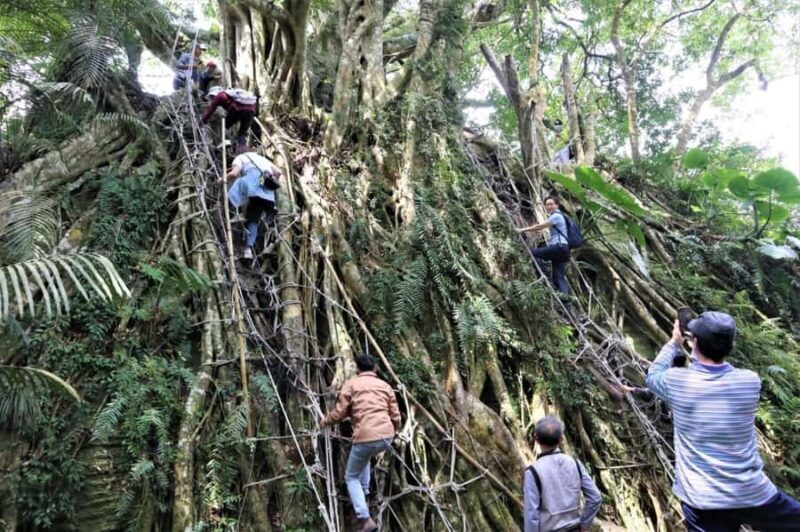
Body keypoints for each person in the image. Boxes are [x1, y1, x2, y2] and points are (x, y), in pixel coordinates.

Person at [646, 312, 800, 531]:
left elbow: (652, 375)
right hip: (750, 492)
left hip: (701, 499)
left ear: (694, 342)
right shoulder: (749, 381)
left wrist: (674, 342)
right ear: (730, 345)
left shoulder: (676, 382)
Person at [320, 354, 401, 532]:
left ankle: (364, 519)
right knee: (364, 458)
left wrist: (325, 421)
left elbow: (339, 414)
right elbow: (396, 415)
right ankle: (364, 494)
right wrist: (395, 431)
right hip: (386, 438)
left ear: (357, 370)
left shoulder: (351, 384)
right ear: (375, 369)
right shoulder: (385, 385)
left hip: (365, 438)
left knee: (351, 477)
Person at [523, 416, 602, 532]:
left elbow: (531, 516)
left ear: (536, 439)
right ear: (561, 439)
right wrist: (584, 524)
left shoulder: (533, 472)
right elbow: (595, 497)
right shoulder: (575, 464)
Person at [223, 145, 280, 260]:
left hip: (251, 183)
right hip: (265, 187)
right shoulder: (262, 159)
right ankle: (248, 250)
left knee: (234, 190)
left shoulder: (240, 157)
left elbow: (234, 173)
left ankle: (233, 213)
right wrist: (270, 181)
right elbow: (278, 172)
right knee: (253, 219)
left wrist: (220, 179)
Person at [518, 196, 571, 295]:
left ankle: (542, 275)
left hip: (558, 247)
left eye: (552, 204)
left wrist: (521, 230)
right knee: (558, 277)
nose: (549, 206)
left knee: (532, 254)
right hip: (564, 250)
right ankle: (565, 302)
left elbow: (540, 226)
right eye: (547, 205)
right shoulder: (561, 217)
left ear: (557, 205)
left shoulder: (556, 216)